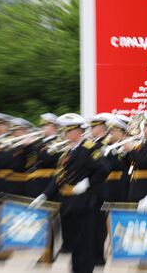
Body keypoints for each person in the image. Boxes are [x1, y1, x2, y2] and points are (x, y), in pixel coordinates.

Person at [30, 113, 110, 273]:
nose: (64, 134)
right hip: (67, 202)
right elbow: (58, 177)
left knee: (83, 242)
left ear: (78, 131)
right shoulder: (67, 152)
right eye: (64, 131)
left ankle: (84, 269)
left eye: (68, 131)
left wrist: (87, 183)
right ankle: (76, 268)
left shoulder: (89, 148)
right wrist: (44, 195)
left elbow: (103, 169)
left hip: (83, 201)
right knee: (73, 242)